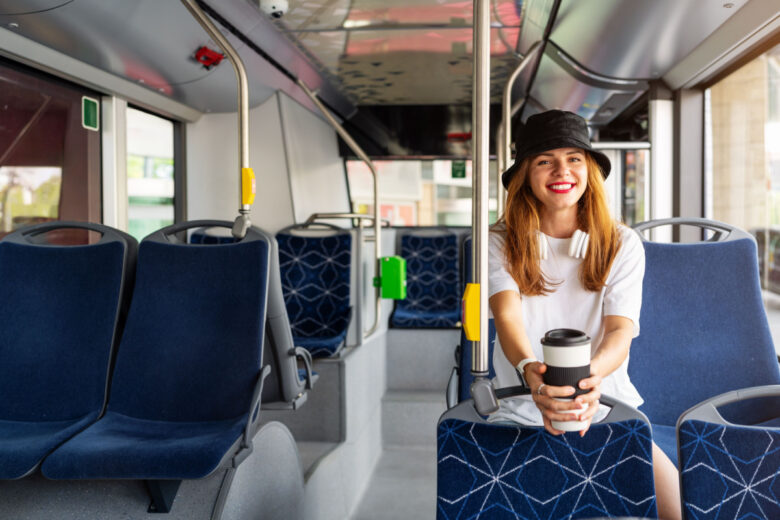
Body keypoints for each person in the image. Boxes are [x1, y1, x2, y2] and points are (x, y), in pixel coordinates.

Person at [488, 110, 681, 520]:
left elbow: (619, 332)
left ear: (589, 169)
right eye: (545, 160)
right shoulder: (496, 241)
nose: (562, 170)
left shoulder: (622, 243)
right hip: (522, 406)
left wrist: (587, 385)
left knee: (675, 510)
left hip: (608, 404)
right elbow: (507, 318)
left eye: (574, 158)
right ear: (525, 173)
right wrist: (531, 372)